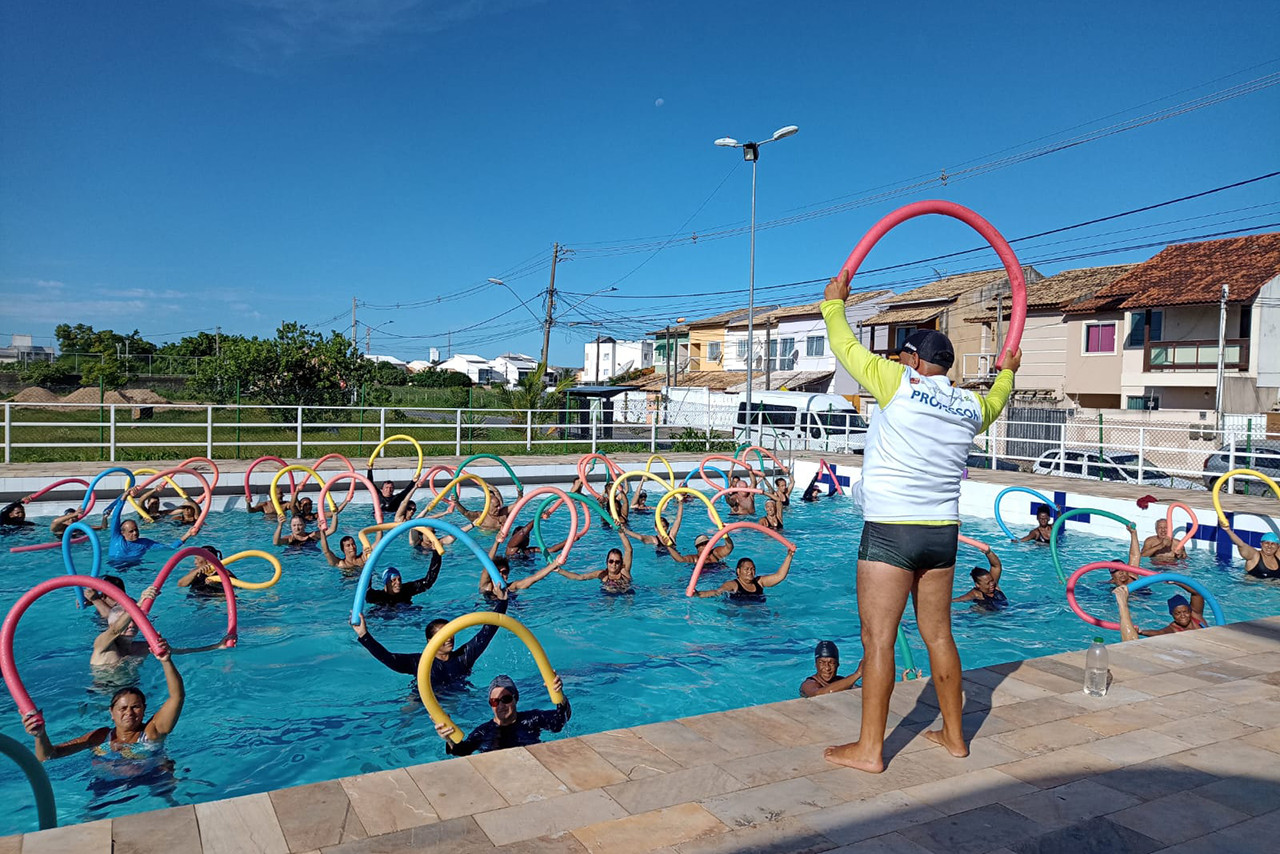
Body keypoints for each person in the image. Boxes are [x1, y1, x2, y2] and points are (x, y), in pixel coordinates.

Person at [820, 267, 1019, 773]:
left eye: (901, 354)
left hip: (890, 530)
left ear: (912, 359)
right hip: (942, 535)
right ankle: (955, 738)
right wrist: (1009, 369)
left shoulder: (897, 384)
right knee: (939, 636)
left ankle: (870, 750)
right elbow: (998, 397)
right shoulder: (972, 406)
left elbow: (844, 348)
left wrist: (834, 303)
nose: (894, 360)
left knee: (879, 641)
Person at [23, 641, 184, 764]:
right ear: (111, 712)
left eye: (135, 707)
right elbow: (48, 756)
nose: (129, 713)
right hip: (106, 789)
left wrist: (166, 661)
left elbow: (176, 697)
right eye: (123, 708)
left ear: (143, 710)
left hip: (151, 779)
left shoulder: (151, 732)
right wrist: (40, 735)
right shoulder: (100, 736)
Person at [351, 591, 508, 683]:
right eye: (443, 635)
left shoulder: (464, 656)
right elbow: (389, 658)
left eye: (450, 633)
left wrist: (502, 601)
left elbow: (487, 631)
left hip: (457, 696)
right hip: (423, 699)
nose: (449, 638)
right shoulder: (420, 662)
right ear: (430, 641)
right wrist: (364, 635)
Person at [434, 673, 570, 756]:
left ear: (515, 699)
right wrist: (449, 739)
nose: (500, 706)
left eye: (506, 699)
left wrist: (559, 694)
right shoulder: (483, 731)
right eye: (494, 701)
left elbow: (559, 721)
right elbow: (463, 751)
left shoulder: (532, 719)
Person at [107, 497, 193, 566]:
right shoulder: (116, 538)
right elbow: (115, 517)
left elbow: (170, 548)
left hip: (135, 567)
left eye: (136, 530)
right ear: (122, 533)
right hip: (115, 565)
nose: (135, 533)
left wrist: (187, 535)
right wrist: (124, 497)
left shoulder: (145, 543)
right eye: (131, 531)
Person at [1114, 583, 1206, 640]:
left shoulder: (1196, 615)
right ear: (1172, 615)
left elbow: (1197, 593)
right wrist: (1141, 632)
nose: (1183, 616)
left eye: (1185, 612)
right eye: (1178, 613)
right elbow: (1160, 633)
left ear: (1190, 610)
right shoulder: (1173, 628)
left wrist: (1176, 582)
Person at [693, 552, 794, 601]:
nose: (750, 572)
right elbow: (717, 592)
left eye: (752, 569)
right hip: (740, 613)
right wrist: (698, 594)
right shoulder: (733, 585)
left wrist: (789, 556)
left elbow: (780, 576)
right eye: (746, 569)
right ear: (738, 571)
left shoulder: (759, 582)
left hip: (759, 613)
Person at [556, 532, 634, 594]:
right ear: (606, 562)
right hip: (609, 595)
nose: (614, 564)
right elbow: (581, 577)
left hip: (627, 593)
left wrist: (621, 532)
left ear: (621, 563)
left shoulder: (624, 571)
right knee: (608, 600)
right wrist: (559, 570)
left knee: (628, 604)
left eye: (617, 562)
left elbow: (629, 550)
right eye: (611, 561)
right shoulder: (602, 574)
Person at [365, 555, 442, 607]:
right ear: (386, 582)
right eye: (393, 580)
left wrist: (436, 554)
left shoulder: (406, 590)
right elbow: (365, 587)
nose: (398, 582)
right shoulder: (376, 596)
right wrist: (368, 563)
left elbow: (428, 581)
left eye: (399, 579)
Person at [952, 544, 1007, 610]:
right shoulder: (975, 594)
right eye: (988, 583)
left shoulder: (994, 586)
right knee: (976, 609)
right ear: (978, 585)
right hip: (990, 617)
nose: (992, 584)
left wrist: (989, 552)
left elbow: (996, 566)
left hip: (1007, 612)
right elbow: (958, 600)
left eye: (991, 580)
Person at [479, 555, 561, 598]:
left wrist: (555, 564)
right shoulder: (487, 587)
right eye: (497, 572)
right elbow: (487, 563)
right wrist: (497, 542)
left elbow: (534, 578)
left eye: (504, 572)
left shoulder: (512, 587)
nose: (500, 575)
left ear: (508, 574)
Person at [663, 532, 734, 567]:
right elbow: (680, 560)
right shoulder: (695, 558)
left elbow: (729, 548)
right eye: (701, 544)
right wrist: (669, 547)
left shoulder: (715, 553)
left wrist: (726, 536)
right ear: (697, 548)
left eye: (706, 543)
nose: (704, 545)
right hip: (703, 577)